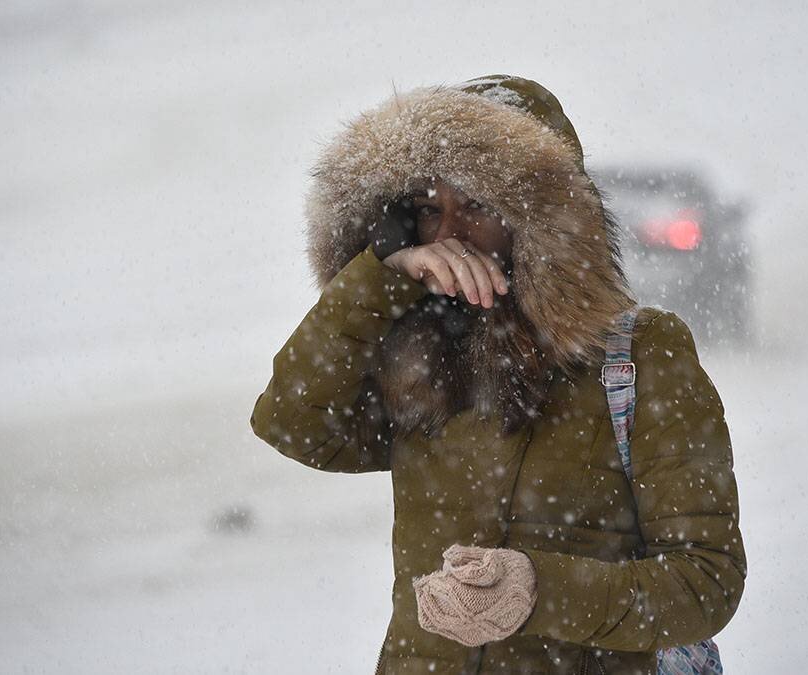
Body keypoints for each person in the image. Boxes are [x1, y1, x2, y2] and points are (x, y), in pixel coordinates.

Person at [251, 74, 746, 674]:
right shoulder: (418, 353)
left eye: (479, 206)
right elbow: (294, 424)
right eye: (430, 210)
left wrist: (538, 590)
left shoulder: (640, 355)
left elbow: (704, 582)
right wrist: (381, 276)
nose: (451, 234)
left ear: (539, 222)